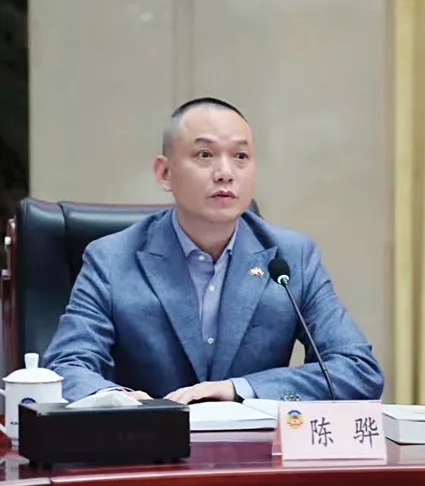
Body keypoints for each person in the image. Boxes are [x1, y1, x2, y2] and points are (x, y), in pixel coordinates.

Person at [43, 97, 384, 403]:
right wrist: (121, 402)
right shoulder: (111, 259)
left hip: (254, 449)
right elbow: (66, 366)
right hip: (146, 444)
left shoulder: (291, 257)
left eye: (240, 157)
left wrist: (240, 389)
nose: (225, 173)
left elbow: (357, 370)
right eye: (204, 155)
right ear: (165, 173)